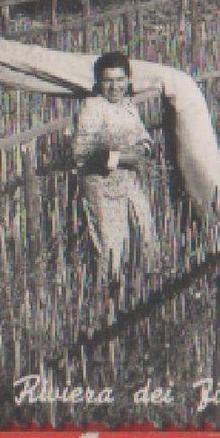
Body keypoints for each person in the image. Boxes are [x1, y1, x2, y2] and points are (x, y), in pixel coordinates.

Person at [74, 51, 161, 276]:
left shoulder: (128, 106)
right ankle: (110, 292)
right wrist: (124, 158)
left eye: (120, 80)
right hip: (103, 187)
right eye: (108, 81)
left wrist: (143, 149)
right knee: (112, 248)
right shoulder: (92, 107)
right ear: (98, 82)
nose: (115, 87)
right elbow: (82, 151)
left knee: (145, 235)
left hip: (130, 183)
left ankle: (144, 286)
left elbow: (144, 138)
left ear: (128, 80)